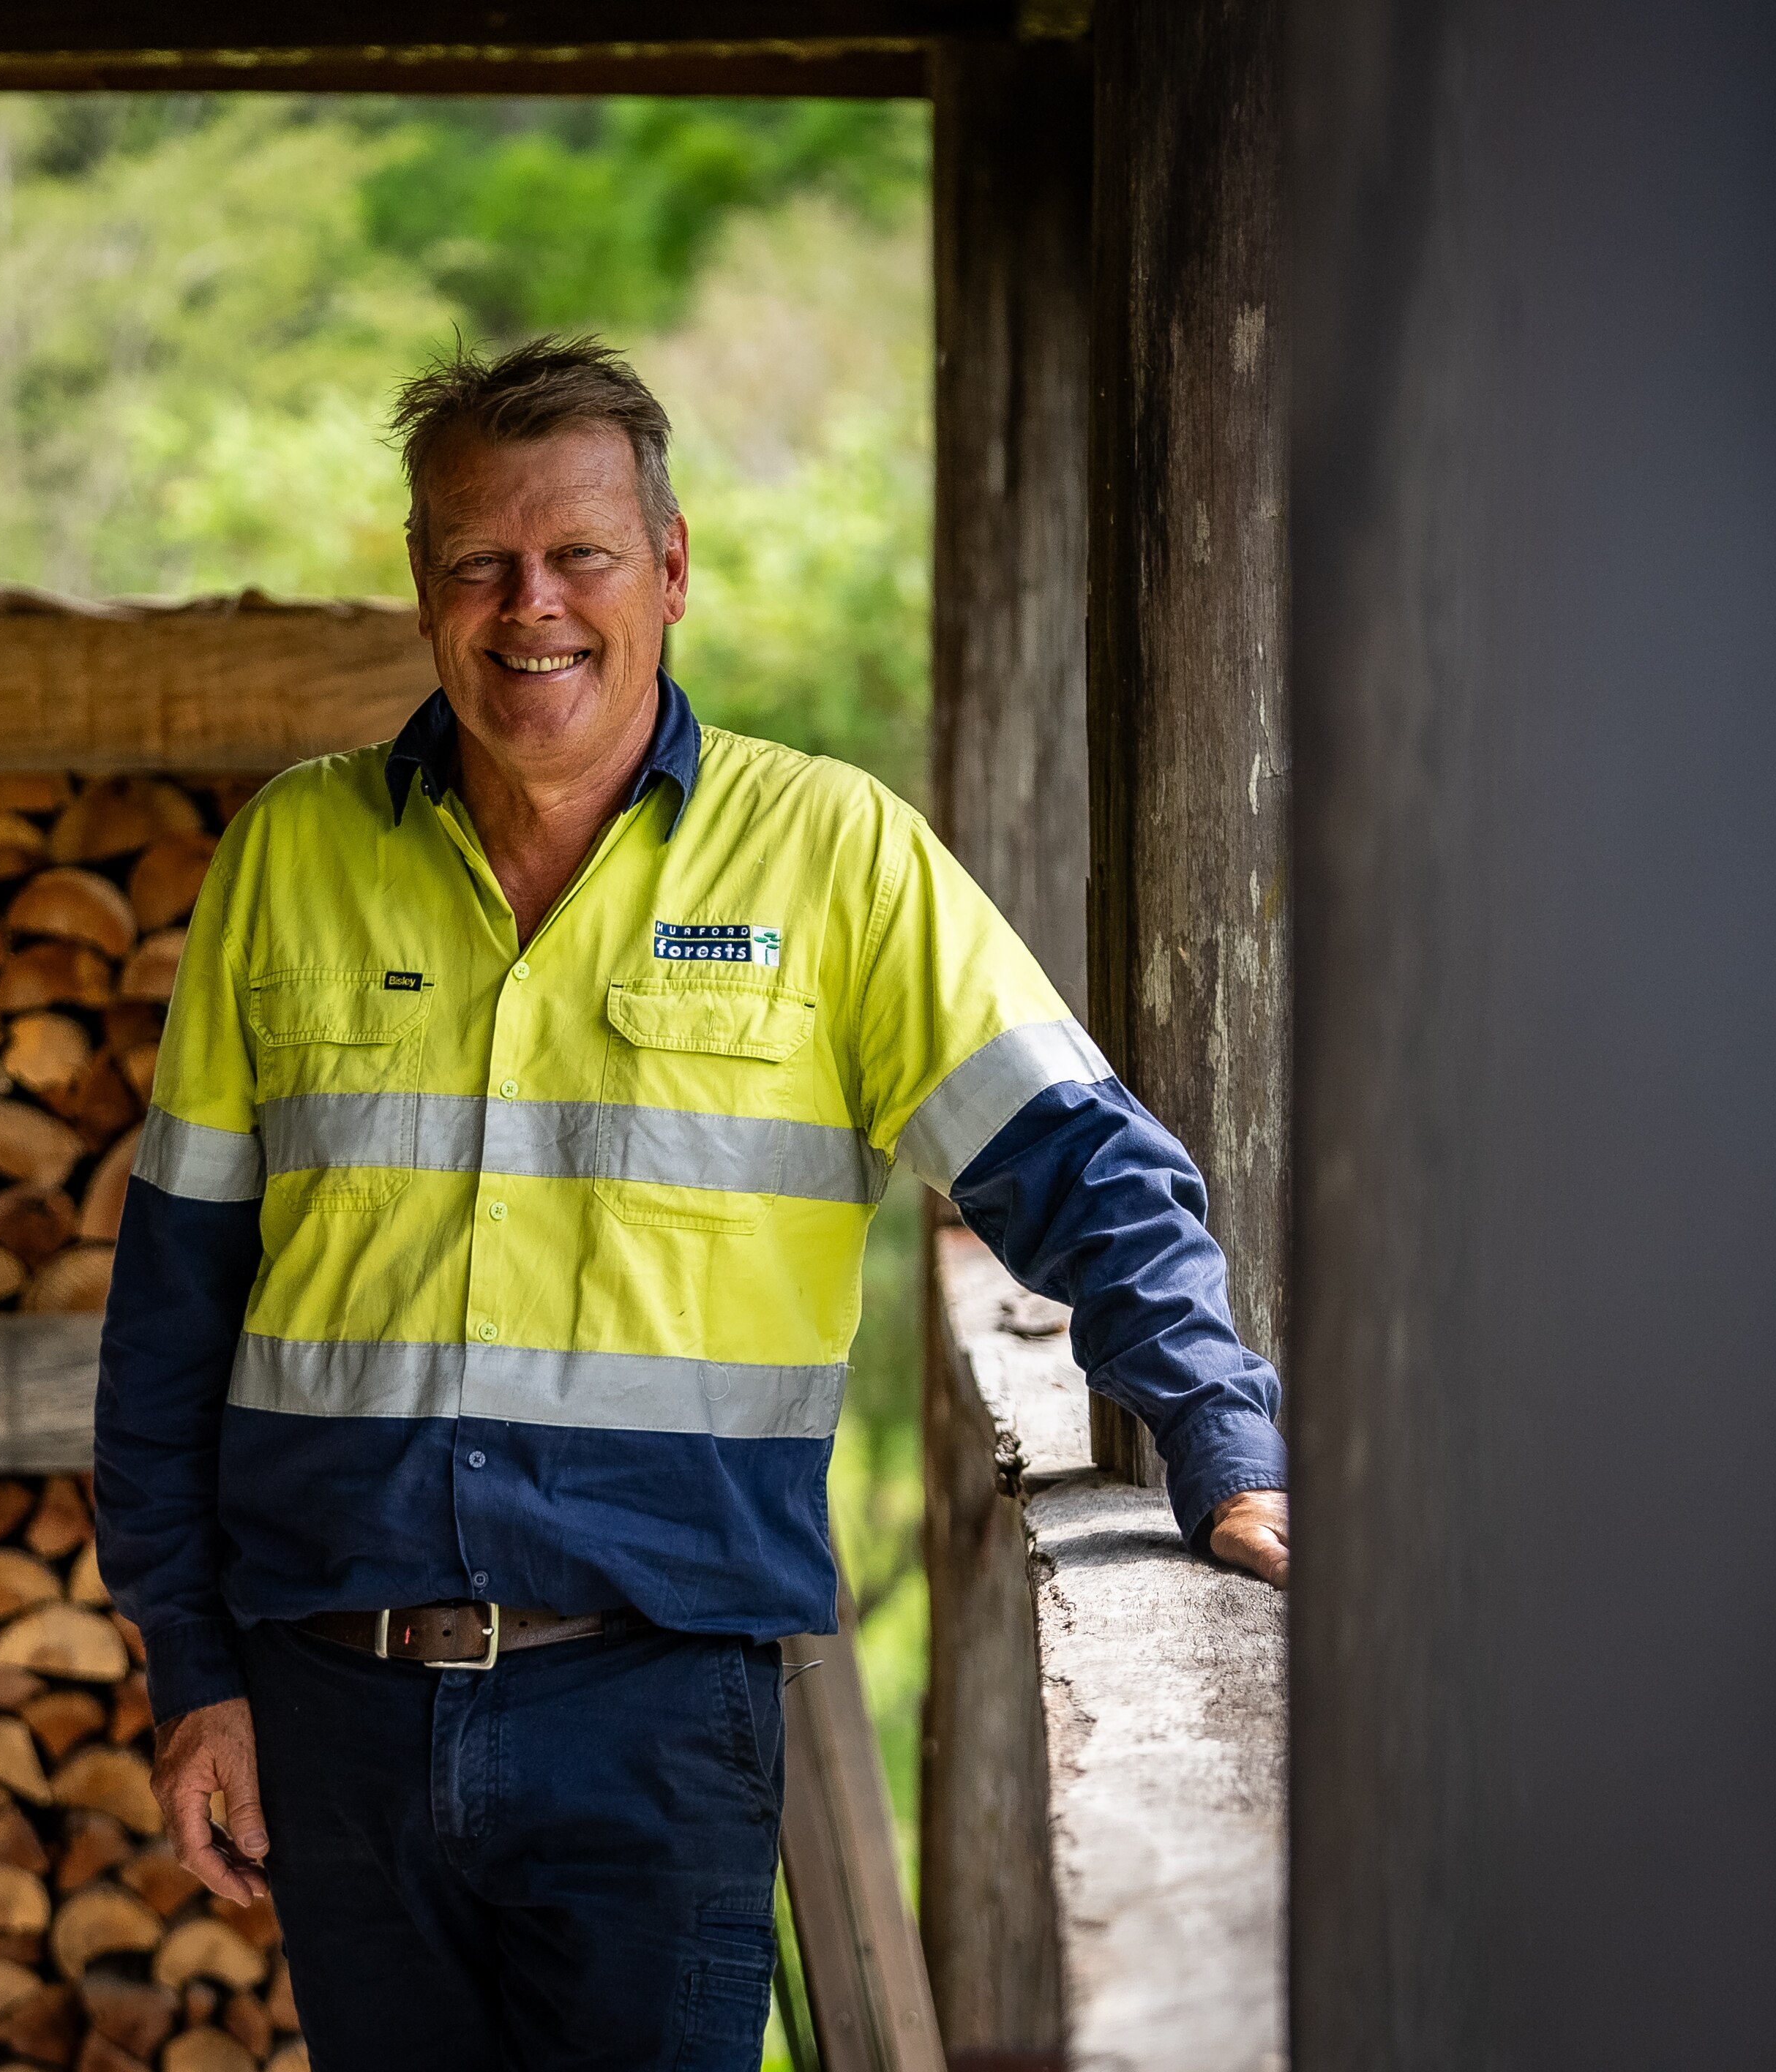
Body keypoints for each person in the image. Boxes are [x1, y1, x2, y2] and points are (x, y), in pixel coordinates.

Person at [93, 334, 1287, 2069]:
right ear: (422, 590)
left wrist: (1218, 1437)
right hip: (327, 1709)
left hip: (650, 1712)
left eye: (576, 554)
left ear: (666, 569)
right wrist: (192, 1667)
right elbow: (173, 1308)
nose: (530, 608)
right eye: (475, 564)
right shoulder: (290, 854)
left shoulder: (835, 857)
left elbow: (1080, 1164)